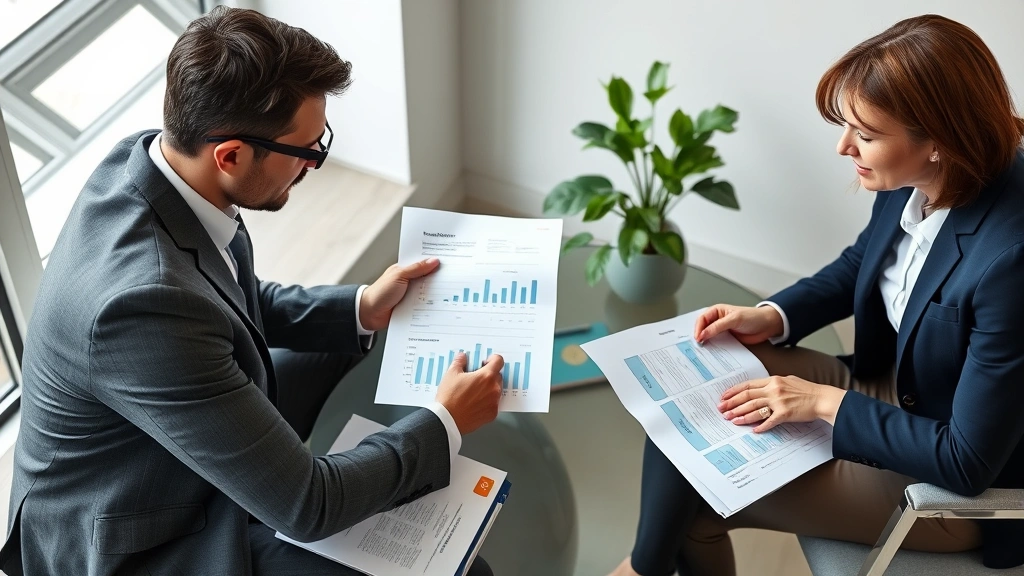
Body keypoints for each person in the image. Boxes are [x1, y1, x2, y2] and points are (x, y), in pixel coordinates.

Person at [0, 7, 502, 575]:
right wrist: (445, 421)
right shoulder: (142, 307)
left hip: (170, 429)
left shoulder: (153, 166)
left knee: (357, 337)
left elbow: (233, 298)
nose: (315, 164)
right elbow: (309, 505)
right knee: (467, 572)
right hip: (142, 535)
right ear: (231, 155)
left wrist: (362, 306)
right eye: (307, 151)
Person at [611, 14, 1024, 576]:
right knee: (688, 393)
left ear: (938, 142)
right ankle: (645, 568)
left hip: (949, 478)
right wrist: (771, 315)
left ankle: (641, 570)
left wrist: (823, 402)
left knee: (698, 501)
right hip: (894, 386)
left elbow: (967, 459)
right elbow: (866, 262)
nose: (843, 146)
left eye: (865, 136)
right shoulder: (916, 175)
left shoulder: (1010, 260)